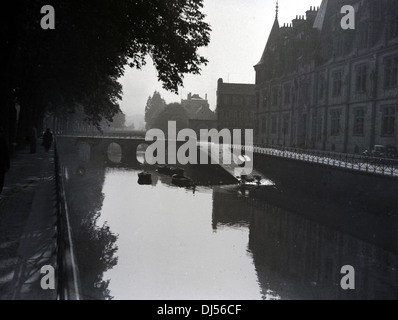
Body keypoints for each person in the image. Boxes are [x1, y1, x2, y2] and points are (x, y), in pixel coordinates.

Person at [0, 128, 10, 195]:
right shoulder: (3, 140)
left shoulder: (3, 140)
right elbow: (6, 153)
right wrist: (8, 165)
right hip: (1, 164)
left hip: (2, 164)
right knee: (1, 180)